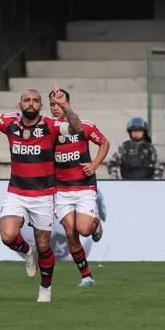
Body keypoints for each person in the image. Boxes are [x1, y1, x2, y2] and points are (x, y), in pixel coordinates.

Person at [0, 78, 82, 303]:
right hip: (17, 192)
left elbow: (77, 128)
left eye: (36, 101)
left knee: (44, 245)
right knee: (7, 235)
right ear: (19, 105)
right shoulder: (10, 122)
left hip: (43, 195)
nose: (31, 103)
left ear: (41, 105)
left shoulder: (50, 125)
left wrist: (66, 107)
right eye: (26, 100)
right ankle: (27, 253)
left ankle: (45, 288)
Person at [49, 88, 110, 288]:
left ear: (68, 103)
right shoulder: (48, 130)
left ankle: (95, 223)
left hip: (84, 187)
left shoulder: (83, 126)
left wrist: (94, 165)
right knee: (69, 232)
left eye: (60, 103)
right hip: (61, 190)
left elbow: (104, 143)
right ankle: (86, 276)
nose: (56, 107)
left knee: (83, 229)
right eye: (52, 104)